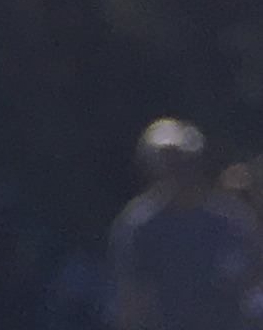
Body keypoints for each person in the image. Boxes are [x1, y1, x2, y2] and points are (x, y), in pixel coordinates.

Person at [108, 120, 260, 330]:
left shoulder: (230, 220)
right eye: (168, 164)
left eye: (183, 163)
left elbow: (252, 281)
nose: (177, 172)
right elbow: (133, 299)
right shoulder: (141, 226)